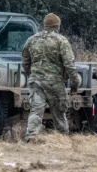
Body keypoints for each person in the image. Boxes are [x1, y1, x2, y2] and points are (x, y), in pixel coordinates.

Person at [21, 13, 80, 142]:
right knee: (59, 113)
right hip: (55, 82)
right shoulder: (61, 41)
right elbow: (69, 64)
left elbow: (25, 61)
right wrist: (76, 81)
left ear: (45, 25)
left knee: (36, 112)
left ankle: (31, 138)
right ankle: (62, 139)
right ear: (57, 26)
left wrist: (31, 75)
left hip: (36, 82)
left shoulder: (31, 40)